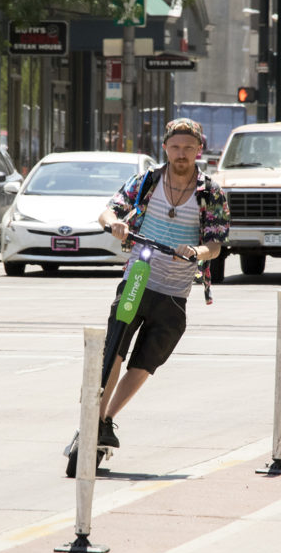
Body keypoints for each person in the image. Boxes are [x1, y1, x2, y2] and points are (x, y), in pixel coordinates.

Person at [94, 118, 232, 448]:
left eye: (188, 147)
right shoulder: (148, 180)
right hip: (138, 278)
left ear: (200, 149)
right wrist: (115, 224)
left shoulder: (211, 193)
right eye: (175, 147)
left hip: (175, 291)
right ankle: (94, 421)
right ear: (165, 148)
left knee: (146, 362)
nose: (181, 153)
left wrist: (196, 250)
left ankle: (108, 418)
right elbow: (109, 210)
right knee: (114, 351)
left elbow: (215, 245)